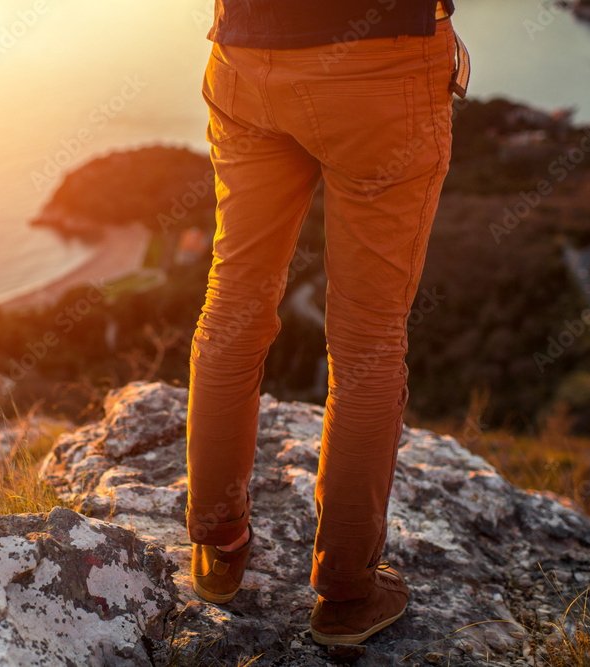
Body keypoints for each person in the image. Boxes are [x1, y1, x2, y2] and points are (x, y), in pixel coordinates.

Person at [185, 0, 469, 646]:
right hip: (383, 65)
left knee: (233, 304)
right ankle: (346, 590)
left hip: (249, 57)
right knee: (367, 337)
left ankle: (218, 543)